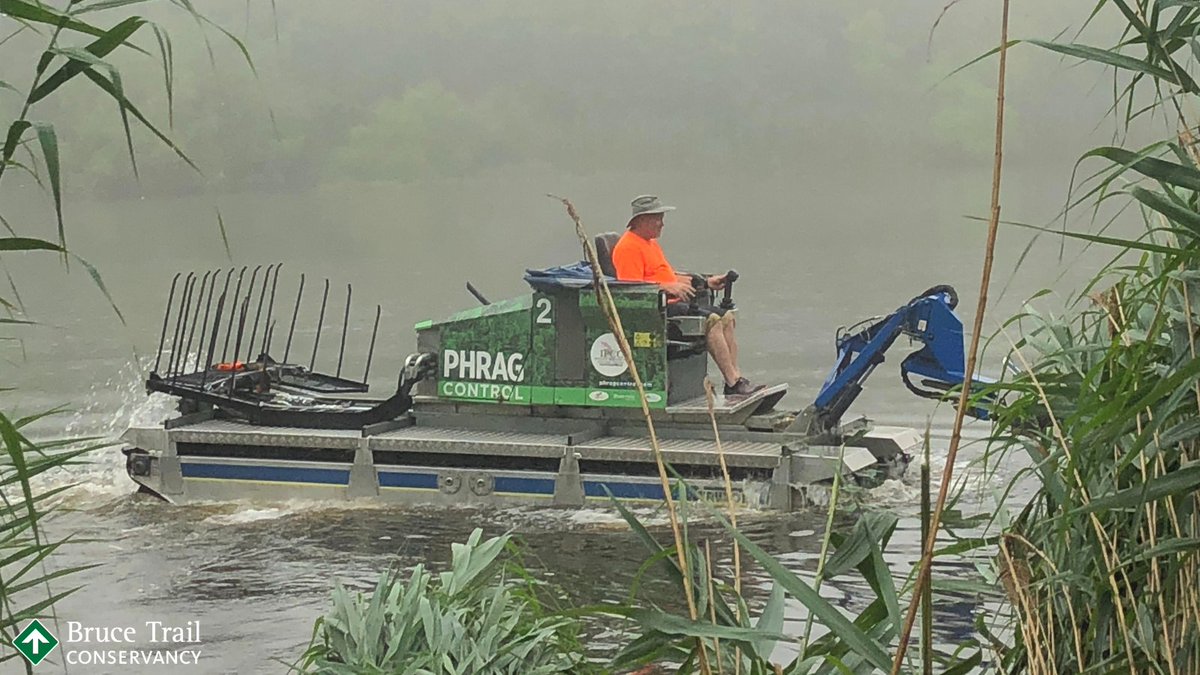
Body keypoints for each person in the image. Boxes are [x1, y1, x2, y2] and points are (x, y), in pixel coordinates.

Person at [610, 195, 763, 396]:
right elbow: (632, 289)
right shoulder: (628, 247)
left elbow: (669, 276)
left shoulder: (650, 244)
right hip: (656, 312)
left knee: (727, 317)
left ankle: (735, 379)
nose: (662, 224)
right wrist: (666, 287)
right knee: (713, 320)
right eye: (658, 218)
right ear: (642, 220)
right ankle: (733, 382)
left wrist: (706, 282)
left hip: (671, 303)